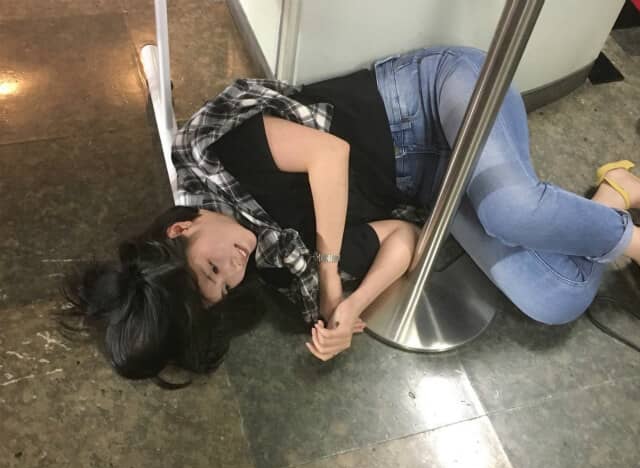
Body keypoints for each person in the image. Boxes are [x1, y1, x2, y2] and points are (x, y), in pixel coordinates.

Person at [65, 46, 640, 382]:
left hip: (435, 93)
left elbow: (330, 154)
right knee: (555, 298)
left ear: (181, 229)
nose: (234, 270)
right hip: (437, 183)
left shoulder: (215, 153)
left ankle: (630, 242)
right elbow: (403, 235)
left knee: (510, 210)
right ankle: (615, 193)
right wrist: (350, 308)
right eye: (225, 288)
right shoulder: (276, 266)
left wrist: (328, 273)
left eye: (211, 268)